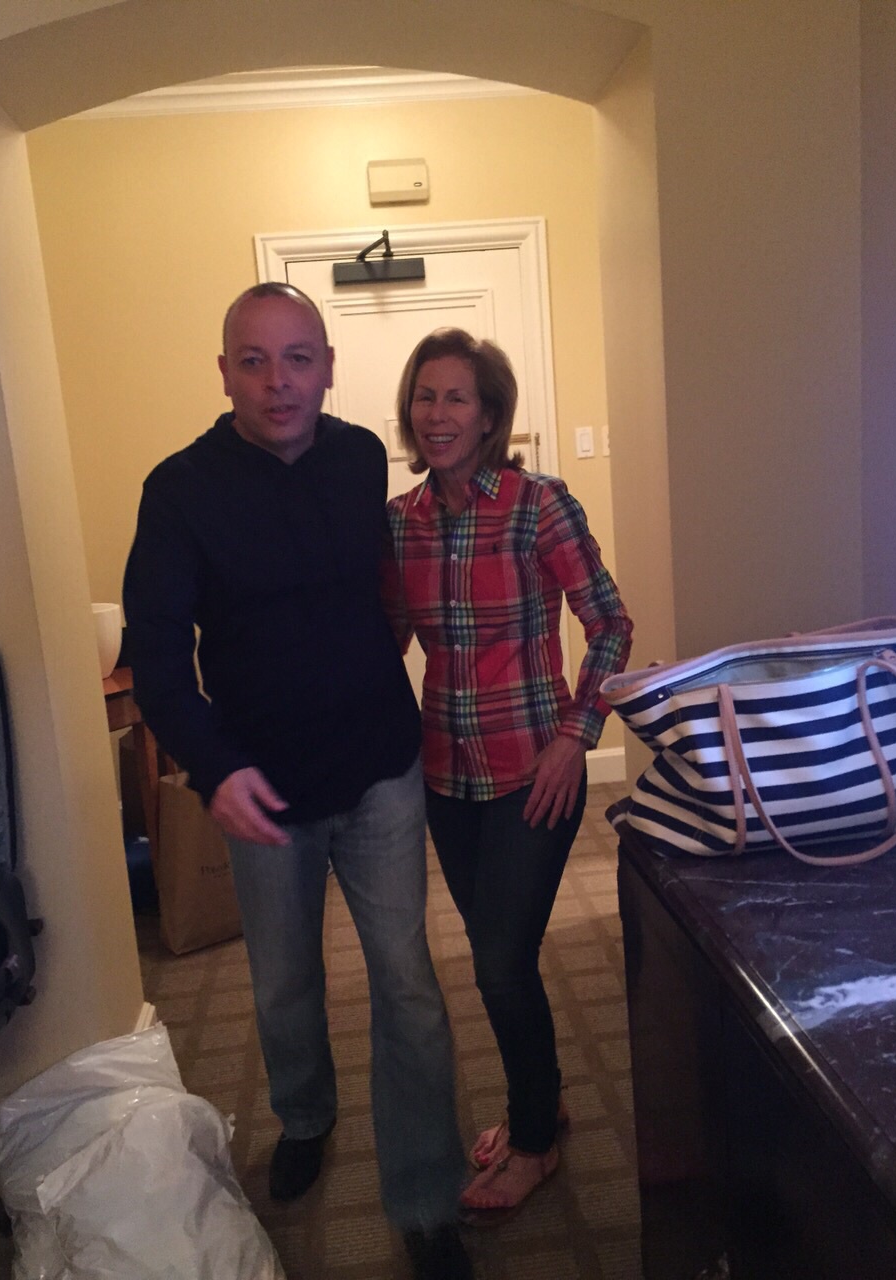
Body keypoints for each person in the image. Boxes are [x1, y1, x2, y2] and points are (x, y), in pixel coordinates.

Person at [123, 284, 472, 1280]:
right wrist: (214, 765)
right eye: (254, 361)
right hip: (262, 790)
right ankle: (307, 1113)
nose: (278, 383)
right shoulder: (179, 490)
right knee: (283, 981)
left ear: (326, 367)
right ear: (224, 372)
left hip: (380, 769)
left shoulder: (361, 458)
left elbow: (388, 586)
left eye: (297, 359)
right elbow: (157, 655)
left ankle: (426, 1200)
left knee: (407, 983)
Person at [385, 328, 633, 1223]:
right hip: (446, 779)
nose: (437, 413)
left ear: (490, 415)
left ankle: (534, 1140)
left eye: (457, 397)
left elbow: (610, 625)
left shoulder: (539, 506)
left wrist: (576, 737)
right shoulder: (401, 523)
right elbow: (388, 643)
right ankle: (545, 1097)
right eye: (425, 396)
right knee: (506, 957)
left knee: (495, 963)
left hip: (536, 771)